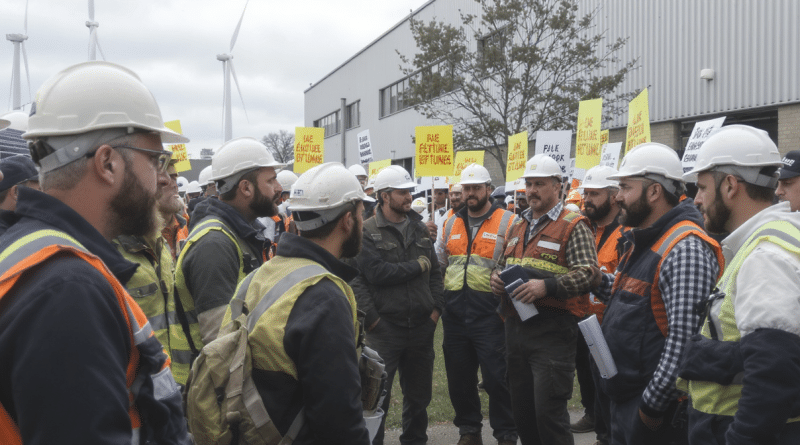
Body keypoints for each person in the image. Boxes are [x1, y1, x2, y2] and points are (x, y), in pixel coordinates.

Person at [0, 61, 190, 444]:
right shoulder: (68, 291)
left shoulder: (35, 254)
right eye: (155, 160)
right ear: (107, 163)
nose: (162, 178)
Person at [220, 162, 370, 444]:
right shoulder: (325, 296)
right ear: (347, 220)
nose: (364, 221)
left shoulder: (263, 274)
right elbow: (338, 420)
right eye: (362, 214)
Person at [593, 143, 722, 445]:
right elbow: (635, 298)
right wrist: (598, 281)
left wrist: (650, 406)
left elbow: (683, 339)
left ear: (653, 192)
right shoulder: (645, 238)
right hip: (628, 398)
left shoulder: (684, 248)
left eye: (625, 187)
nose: (618, 197)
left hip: (653, 411)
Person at [678, 125, 800, 444]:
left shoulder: (766, 255)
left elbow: (773, 371)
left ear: (730, 185)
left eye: (702, 187)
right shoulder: (766, 242)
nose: (696, 200)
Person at [489, 154, 598, 445]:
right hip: (515, 332)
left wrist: (546, 287)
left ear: (558, 186)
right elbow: (500, 266)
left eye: (540, 184)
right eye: (529, 183)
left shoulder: (573, 225)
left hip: (553, 334)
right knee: (522, 414)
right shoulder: (517, 226)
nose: (532, 190)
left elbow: (589, 274)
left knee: (548, 416)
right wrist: (496, 280)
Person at [351, 165, 444, 445]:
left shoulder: (419, 229)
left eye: (409, 191)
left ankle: (415, 440)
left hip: (420, 327)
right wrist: (373, 320)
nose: (408, 197)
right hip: (384, 330)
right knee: (375, 397)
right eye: (402, 192)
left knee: (419, 397)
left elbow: (436, 274)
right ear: (384, 196)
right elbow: (360, 280)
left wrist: (435, 312)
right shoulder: (366, 231)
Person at [175, 137, 283, 346]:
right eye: (270, 180)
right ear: (246, 188)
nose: (278, 188)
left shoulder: (238, 234)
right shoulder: (214, 245)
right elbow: (221, 349)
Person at [439, 163, 517, 445]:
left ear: (487, 189)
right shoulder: (450, 223)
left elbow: (517, 263)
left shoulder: (508, 221)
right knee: (460, 380)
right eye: (466, 188)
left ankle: (506, 433)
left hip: (491, 316)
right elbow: (441, 264)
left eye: (475, 188)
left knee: (498, 378)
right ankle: (469, 431)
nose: (470, 193)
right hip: (456, 316)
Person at [113, 156, 197, 387]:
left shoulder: (164, 242)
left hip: (175, 382)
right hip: (138, 388)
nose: (171, 183)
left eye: (174, 177)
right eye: (163, 176)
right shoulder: (113, 250)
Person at [574, 165, 626, 444]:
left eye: (594, 193)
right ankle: (594, 419)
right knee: (588, 375)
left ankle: (606, 434)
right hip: (585, 319)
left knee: (610, 387)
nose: (587, 199)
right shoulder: (585, 227)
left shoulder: (627, 231)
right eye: (586, 193)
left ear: (614, 196)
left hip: (611, 324)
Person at [161, 160, 190, 259]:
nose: (175, 186)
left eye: (175, 179)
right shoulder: (139, 236)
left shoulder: (183, 226)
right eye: (168, 179)